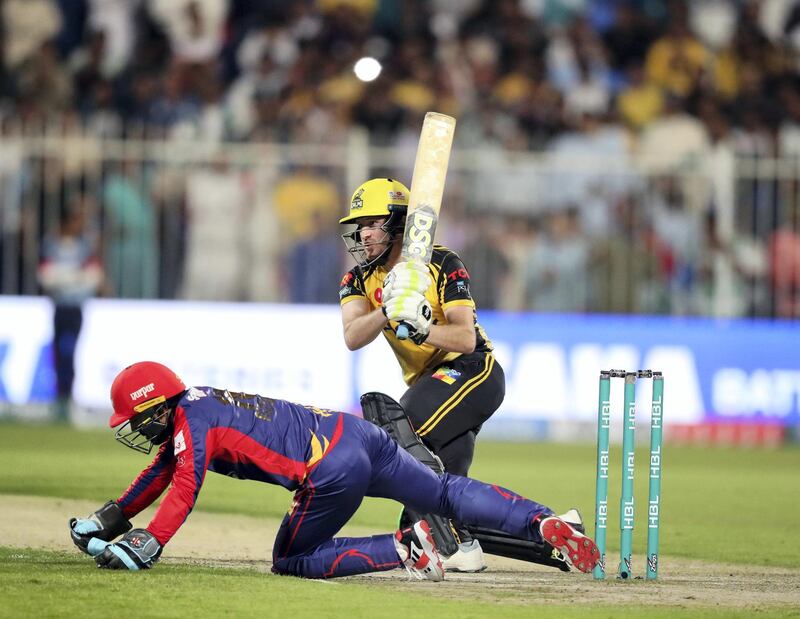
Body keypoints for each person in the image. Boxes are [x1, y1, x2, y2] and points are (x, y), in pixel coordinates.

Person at [68, 361, 600, 578]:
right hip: (356, 434)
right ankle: (545, 522)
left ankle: (408, 548)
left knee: (289, 559)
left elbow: (184, 486)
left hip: (328, 468)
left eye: (138, 419)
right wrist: (114, 515)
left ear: (158, 407)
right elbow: (165, 469)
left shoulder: (189, 422)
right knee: (442, 491)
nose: (137, 429)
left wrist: (150, 541)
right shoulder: (193, 410)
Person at [338, 178, 505, 572]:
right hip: (429, 383)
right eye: (358, 226)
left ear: (397, 224)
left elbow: (465, 338)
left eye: (371, 223)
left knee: (398, 426)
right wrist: (389, 309)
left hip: (473, 372)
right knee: (442, 480)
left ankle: (450, 537)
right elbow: (352, 336)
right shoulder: (357, 279)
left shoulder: (443, 263)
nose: (362, 234)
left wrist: (424, 328)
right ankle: (473, 543)